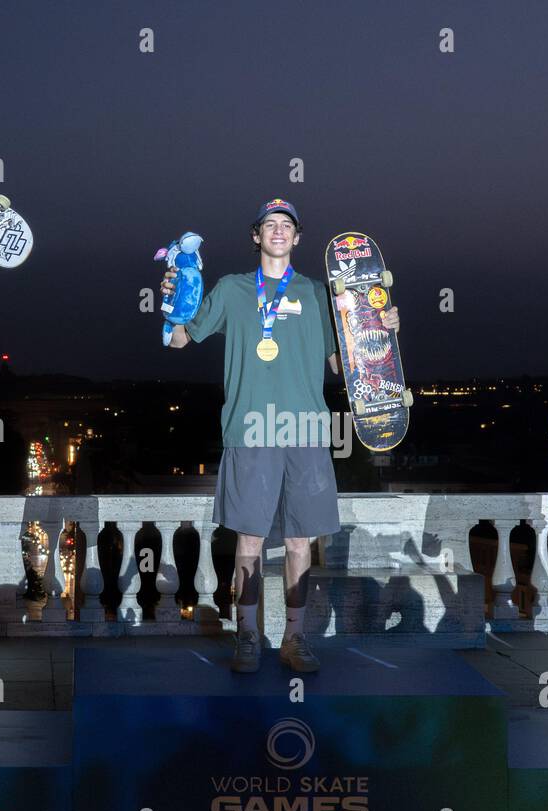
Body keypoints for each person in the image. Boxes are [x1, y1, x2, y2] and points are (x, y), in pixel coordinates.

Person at [162, 198, 402, 673]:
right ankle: (247, 636)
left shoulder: (319, 295)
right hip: (250, 430)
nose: (277, 230)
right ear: (256, 236)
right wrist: (171, 301)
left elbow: (343, 365)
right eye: (268, 224)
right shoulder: (232, 289)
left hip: (307, 432)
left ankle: (295, 638)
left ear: (296, 238)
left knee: (299, 544)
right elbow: (180, 340)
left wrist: (381, 329)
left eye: (286, 225)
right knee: (248, 543)